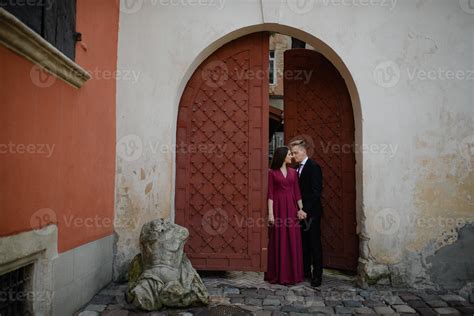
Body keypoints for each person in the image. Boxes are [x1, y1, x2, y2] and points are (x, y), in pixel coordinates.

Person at [264, 146, 305, 285]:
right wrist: (270, 214)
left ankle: (292, 274)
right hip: (278, 209)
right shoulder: (272, 173)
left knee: (292, 239)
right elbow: (270, 194)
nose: (292, 156)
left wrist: (301, 209)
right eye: (289, 154)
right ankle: (278, 274)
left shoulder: (293, 172)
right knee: (278, 239)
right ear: (282, 156)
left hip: (292, 209)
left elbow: (298, 192)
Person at [290, 139, 324, 287]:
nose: (293, 155)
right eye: (292, 153)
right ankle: (305, 272)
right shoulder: (296, 169)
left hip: (312, 213)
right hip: (300, 214)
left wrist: (305, 210)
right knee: (303, 244)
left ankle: (317, 276)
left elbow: (316, 192)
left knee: (314, 244)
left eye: (295, 152)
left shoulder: (314, 167)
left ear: (304, 151)